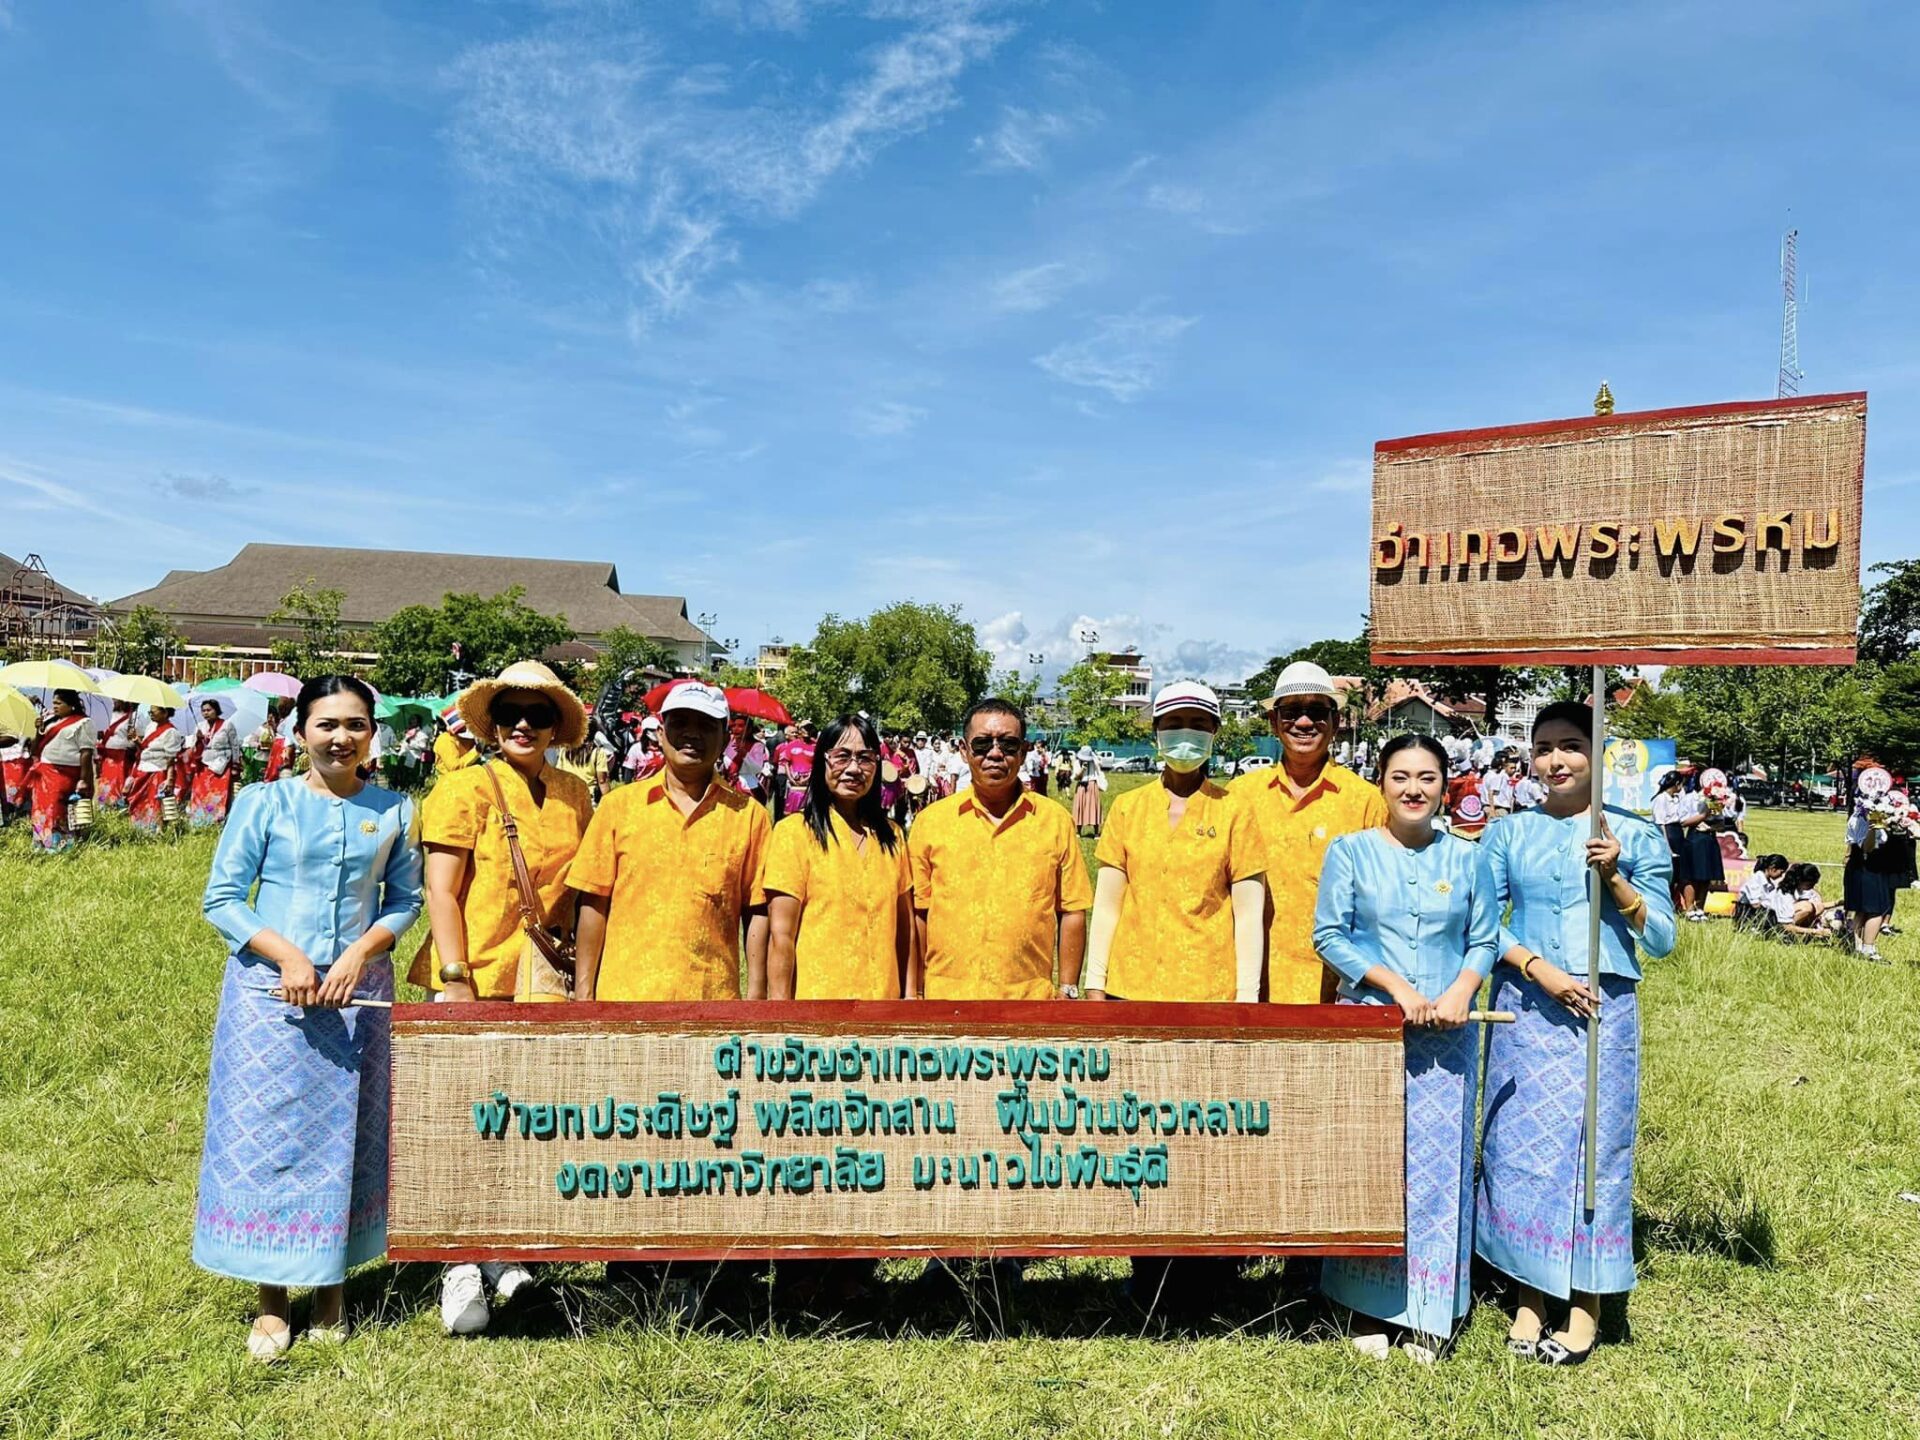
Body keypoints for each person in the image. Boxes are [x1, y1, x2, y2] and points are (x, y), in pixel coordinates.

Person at [193, 675, 422, 1362]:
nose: (341, 737)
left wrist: (358, 953)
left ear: (372, 735)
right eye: (327, 724)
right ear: (300, 734)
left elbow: (404, 900)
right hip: (271, 996)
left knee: (344, 1136)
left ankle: (331, 1292)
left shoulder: (394, 809)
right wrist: (288, 956)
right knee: (270, 1135)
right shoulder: (264, 802)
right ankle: (272, 1297)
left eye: (356, 725)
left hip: (357, 996)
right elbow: (223, 897)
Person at [1476, 700, 1675, 1366]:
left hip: (1602, 1011)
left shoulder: (1635, 834)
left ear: (1597, 753)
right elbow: (1481, 924)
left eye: (1571, 745)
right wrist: (1539, 969)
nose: (1556, 760)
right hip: (1527, 1005)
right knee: (1519, 1148)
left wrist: (1615, 876)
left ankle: (1587, 1303)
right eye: (1543, 748)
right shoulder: (1508, 834)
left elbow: (1664, 939)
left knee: (1597, 1150)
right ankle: (1530, 1295)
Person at [413, 661, 594, 1335]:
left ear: (556, 728)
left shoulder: (576, 793)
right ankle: (459, 1261)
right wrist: (455, 975)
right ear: (490, 724)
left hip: (543, 980)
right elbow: (440, 889)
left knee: (523, 1119)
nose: (523, 724)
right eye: (510, 713)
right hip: (477, 972)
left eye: (538, 715)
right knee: (463, 1122)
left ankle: (504, 1248)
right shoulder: (463, 788)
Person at [1082, 681, 1266, 1316]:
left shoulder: (1235, 810)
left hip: (1209, 997)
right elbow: (1108, 903)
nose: (1185, 735)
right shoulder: (1127, 808)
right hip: (1133, 991)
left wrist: (1246, 997)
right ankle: (1148, 1272)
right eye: (1173, 724)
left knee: (1203, 1135)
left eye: (1197, 725)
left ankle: (1202, 1275)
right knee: (1140, 1133)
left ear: (1214, 734)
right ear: (1156, 733)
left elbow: (1248, 911)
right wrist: (1096, 982)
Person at [1313, 734, 1495, 1362]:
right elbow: (1329, 936)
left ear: (1446, 786)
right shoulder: (1351, 852)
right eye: (1400, 777)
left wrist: (1460, 991)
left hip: (1447, 1038)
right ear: (1381, 783)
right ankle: (1360, 1304)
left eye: (1427, 777)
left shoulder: (1468, 858)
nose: (1413, 789)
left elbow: (1484, 939)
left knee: (1439, 1166)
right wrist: (1394, 986)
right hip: (1371, 1031)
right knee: (1371, 1161)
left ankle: (1429, 1310)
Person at [570, 680, 771, 1003]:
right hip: (624, 999)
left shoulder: (749, 816)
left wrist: (756, 997)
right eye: (680, 723)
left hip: (712, 1001)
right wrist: (584, 994)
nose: (692, 734)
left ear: (724, 740)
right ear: (661, 734)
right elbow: (594, 904)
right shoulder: (619, 808)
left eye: (706, 725)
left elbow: (757, 911)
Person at [908, 699, 1092, 1001]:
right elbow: (919, 913)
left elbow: (1072, 909)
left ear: (1023, 751)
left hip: (1029, 1000)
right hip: (946, 998)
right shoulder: (931, 822)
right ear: (964, 751)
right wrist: (916, 991)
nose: (995, 753)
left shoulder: (1054, 821)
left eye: (1008, 744)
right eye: (982, 744)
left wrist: (1068, 989)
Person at [1234, 661, 1387, 1004]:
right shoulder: (1240, 796)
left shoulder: (1365, 800)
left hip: (1336, 987)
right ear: (1273, 721)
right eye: (1291, 712)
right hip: (1251, 982)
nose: (1304, 722)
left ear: (1336, 722)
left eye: (1317, 711)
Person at [28, 688, 95, 852]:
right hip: (45, 772)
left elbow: (86, 753)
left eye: (59, 703)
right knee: (41, 809)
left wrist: (84, 779)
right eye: (54, 703)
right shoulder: (50, 722)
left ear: (71, 705)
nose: (55, 706)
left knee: (56, 808)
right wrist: (38, 731)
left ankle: (60, 846)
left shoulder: (83, 723)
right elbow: (34, 750)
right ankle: (41, 843)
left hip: (65, 774)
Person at [128, 704, 186, 833]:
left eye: (153, 712)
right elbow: (145, 748)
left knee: (156, 803)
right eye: (150, 712)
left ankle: (157, 831)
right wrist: (136, 740)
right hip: (143, 769)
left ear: (165, 713)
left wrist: (170, 779)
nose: (151, 715)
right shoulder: (150, 727)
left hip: (158, 771)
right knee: (139, 800)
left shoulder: (171, 732)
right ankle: (139, 829)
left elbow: (171, 759)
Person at [187, 698, 243, 828]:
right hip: (203, 765)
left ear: (216, 710)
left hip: (221, 765)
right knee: (200, 792)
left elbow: (235, 746)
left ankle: (216, 821)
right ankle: (199, 821)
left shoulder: (227, 725)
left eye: (209, 710)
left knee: (217, 793)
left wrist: (235, 765)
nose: (206, 713)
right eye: (203, 711)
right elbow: (194, 749)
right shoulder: (200, 726)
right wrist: (198, 740)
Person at [1649, 771, 1694, 915]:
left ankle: (1682, 906)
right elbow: (1660, 824)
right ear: (1677, 784)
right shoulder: (1661, 799)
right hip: (1668, 834)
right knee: (1670, 873)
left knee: (1681, 872)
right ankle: (1665, 905)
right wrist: (1667, 847)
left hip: (1677, 832)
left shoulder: (1676, 798)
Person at [96, 699, 139, 807]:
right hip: (108, 757)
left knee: (118, 783)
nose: (114, 700)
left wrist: (132, 738)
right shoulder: (108, 715)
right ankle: (102, 805)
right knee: (105, 784)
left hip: (122, 757)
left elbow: (136, 740)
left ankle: (118, 807)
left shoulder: (133, 718)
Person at [720, 714, 770, 801]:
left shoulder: (757, 745)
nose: (736, 729)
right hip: (729, 786)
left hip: (748, 788)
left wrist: (745, 754)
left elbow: (757, 769)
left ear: (749, 729)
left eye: (740, 726)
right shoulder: (729, 742)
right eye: (734, 725)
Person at [1735, 854, 1789, 930]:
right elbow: (1755, 904)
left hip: (1760, 910)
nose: (1781, 876)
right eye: (1781, 872)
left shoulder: (1769, 883)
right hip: (1748, 912)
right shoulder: (1755, 880)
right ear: (1773, 869)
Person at [774, 723, 816, 818]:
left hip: (808, 781)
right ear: (800, 732)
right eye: (803, 730)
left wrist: (808, 778)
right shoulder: (792, 745)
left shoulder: (815, 746)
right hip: (793, 780)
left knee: (806, 810)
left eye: (808, 731)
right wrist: (790, 778)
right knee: (791, 810)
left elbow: (816, 764)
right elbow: (786, 763)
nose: (806, 733)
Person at [431, 704, 478, 778]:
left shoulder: (466, 736)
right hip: (451, 781)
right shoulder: (445, 740)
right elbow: (454, 767)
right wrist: (477, 750)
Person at [1069, 746, 1105, 837]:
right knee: (1080, 807)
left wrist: (1096, 760)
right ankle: (1078, 832)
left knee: (1094, 807)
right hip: (1081, 785)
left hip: (1092, 784)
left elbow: (1100, 768)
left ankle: (1096, 833)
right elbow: (1076, 777)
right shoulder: (1077, 762)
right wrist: (1082, 769)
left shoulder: (1094, 761)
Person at [1482, 751, 1515, 820]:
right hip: (1498, 808)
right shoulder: (1498, 776)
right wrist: (1492, 809)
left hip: (1489, 806)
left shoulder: (1486, 775)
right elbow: (1491, 792)